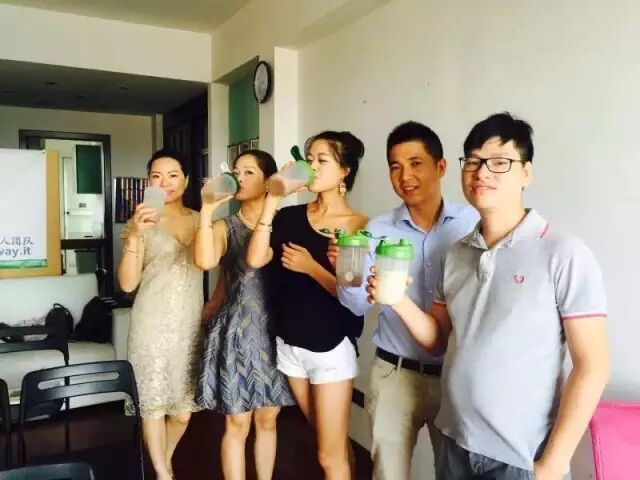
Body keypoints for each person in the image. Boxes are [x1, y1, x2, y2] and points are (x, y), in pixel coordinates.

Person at [367, 113, 610, 480]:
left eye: (499, 162)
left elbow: (592, 366)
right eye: (474, 161)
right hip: (455, 441)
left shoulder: (563, 253)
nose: (482, 172)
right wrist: (396, 298)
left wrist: (554, 463)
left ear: (526, 172)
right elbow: (437, 339)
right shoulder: (456, 254)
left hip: (520, 457)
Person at [331, 121, 478, 480]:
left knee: (456, 473)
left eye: (415, 164)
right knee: (389, 473)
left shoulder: (470, 223)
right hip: (394, 373)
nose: (405, 176)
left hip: (454, 375)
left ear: (440, 167)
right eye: (395, 167)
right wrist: (346, 274)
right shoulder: (376, 230)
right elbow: (357, 305)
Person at [246, 131, 367, 480]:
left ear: (344, 171)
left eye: (322, 160)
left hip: (329, 347)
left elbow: (355, 300)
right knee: (330, 443)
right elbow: (255, 258)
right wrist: (273, 198)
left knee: (328, 456)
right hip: (290, 345)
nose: (311, 166)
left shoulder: (358, 226)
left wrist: (312, 268)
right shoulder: (288, 217)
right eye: (309, 158)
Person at [194, 150, 295, 480]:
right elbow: (205, 262)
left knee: (268, 419)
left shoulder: (285, 224)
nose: (239, 177)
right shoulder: (225, 226)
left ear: (269, 182)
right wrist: (207, 209)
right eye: (236, 171)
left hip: (276, 331)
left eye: (249, 172)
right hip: (238, 331)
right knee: (237, 422)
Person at [118, 148, 203, 480]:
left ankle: (163, 462)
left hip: (188, 325)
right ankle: (164, 475)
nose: (165, 182)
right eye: (156, 176)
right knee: (152, 404)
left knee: (182, 412)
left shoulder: (201, 219)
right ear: (148, 182)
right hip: (150, 323)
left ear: (186, 180)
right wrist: (136, 234)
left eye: (172, 175)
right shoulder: (141, 223)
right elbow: (128, 283)